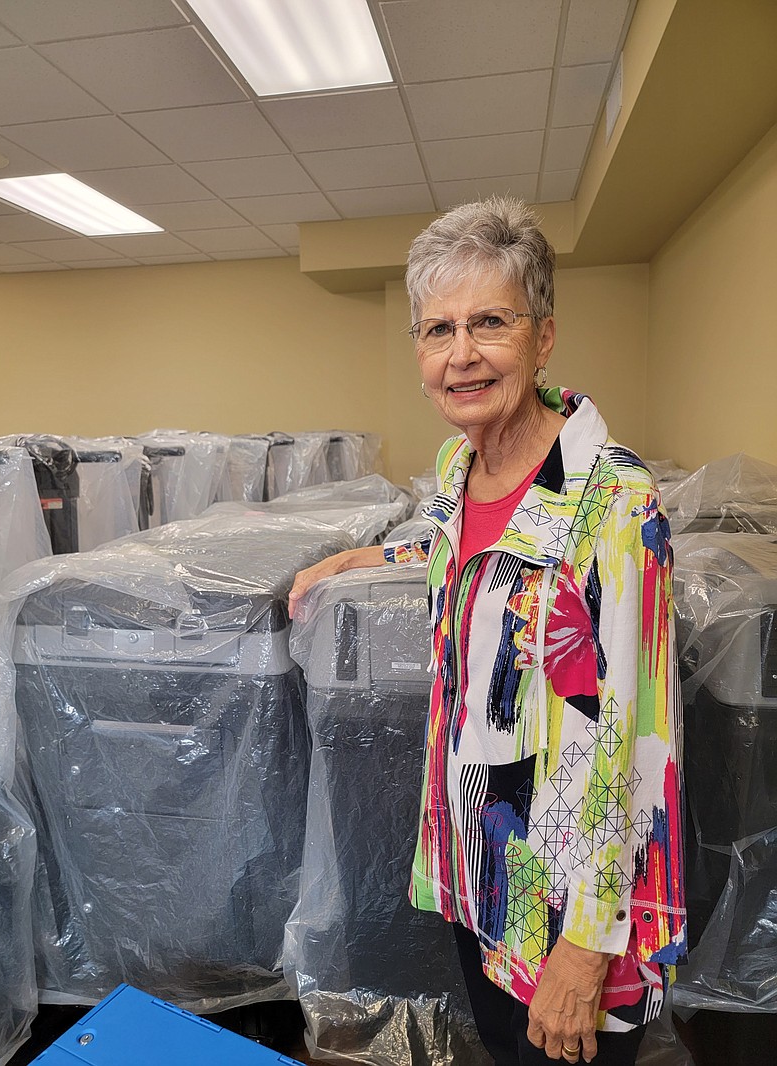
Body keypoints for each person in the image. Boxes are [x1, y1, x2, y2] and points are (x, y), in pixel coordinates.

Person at [289, 197, 686, 1066]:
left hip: (577, 909)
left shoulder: (615, 504)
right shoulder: (459, 462)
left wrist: (584, 950)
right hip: (483, 868)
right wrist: (361, 557)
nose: (460, 354)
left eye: (490, 324)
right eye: (437, 330)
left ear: (543, 337)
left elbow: (641, 744)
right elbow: (450, 537)